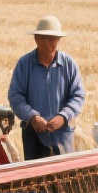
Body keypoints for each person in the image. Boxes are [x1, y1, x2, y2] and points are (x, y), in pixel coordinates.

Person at [7, 14, 85, 159]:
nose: (53, 43)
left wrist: (63, 116)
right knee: (36, 179)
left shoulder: (69, 64)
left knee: (64, 177)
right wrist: (33, 117)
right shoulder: (24, 64)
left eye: (56, 39)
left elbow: (78, 95)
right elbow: (15, 96)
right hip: (33, 136)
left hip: (62, 135)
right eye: (49, 39)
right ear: (37, 39)